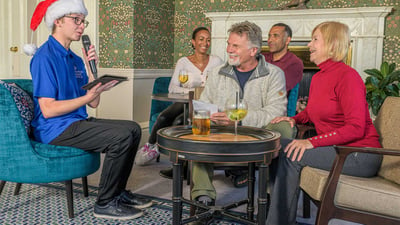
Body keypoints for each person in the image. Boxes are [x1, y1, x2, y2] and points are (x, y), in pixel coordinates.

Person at [28, 0, 151, 220]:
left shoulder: (75, 59)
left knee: (133, 129)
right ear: (58, 21)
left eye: (83, 21)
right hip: (54, 129)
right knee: (121, 136)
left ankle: (117, 193)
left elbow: (93, 104)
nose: (82, 26)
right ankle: (105, 203)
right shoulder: (44, 57)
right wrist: (87, 96)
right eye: (76, 20)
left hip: (76, 122)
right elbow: (47, 110)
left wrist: (93, 75)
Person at [266, 21, 382, 225]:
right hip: (337, 149)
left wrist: (313, 142)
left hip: (359, 154)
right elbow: (313, 112)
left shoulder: (349, 77)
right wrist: (292, 118)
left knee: (290, 151)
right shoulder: (319, 78)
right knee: (277, 142)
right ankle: (274, 213)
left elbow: (356, 127)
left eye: (315, 40)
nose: (309, 45)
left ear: (332, 43)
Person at [190, 21, 287, 223]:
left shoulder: (274, 74)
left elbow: (276, 111)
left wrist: (239, 119)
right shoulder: (216, 73)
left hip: (256, 136)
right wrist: (209, 115)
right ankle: (203, 198)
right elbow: (204, 105)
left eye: (235, 46)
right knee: (199, 128)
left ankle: (268, 198)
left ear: (253, 50)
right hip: (221, 134)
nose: (229, 50)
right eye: (229, 44)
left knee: (283, 128)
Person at [135, 27, 223, 166]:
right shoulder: (183, 62)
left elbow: (223, 84)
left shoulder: (217, 61)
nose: (205, 43)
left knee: (178, 123)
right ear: (193, 42)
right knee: (163, 117)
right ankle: (151, 145)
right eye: (201, 39)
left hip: (205, 104)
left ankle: (178, 165)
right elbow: (172, 87)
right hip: (186, 101)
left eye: (208, 40)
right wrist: (193, 92)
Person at [262, 23, 303, 93]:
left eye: (275, 36)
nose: (270, 40)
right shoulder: (262, 57)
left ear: (287, 40)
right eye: (269, 36)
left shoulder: (294, 63)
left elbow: (279, 90)